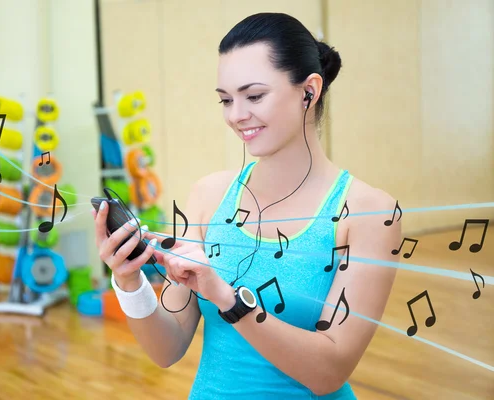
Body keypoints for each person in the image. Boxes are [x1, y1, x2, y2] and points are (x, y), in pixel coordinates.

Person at [92, 12, 401, 399]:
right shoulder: (208, 196)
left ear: (309, 90)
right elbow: (166, 349)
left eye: (254, 96)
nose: (237, 116)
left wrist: (227, 297)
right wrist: (128, 280)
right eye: (226, 100)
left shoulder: (369, 213)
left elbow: (327, 374)